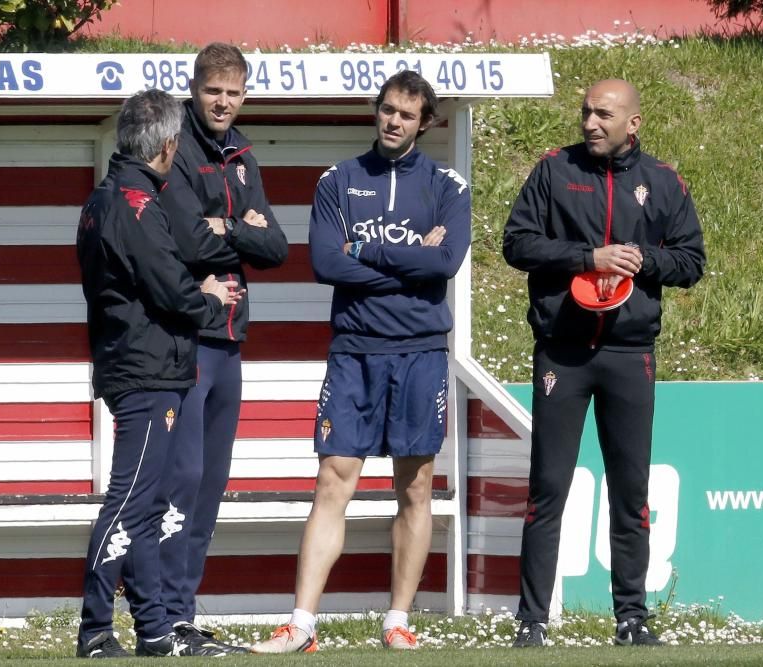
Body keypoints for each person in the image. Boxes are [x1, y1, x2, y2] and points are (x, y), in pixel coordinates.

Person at [250, 70, 471, 653]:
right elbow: (325, 261)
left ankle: (397, 621)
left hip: (420, 353)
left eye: (405, 113)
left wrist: (365, 248)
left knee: (416, 488)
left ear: (426, 122)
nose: (393, 121)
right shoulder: (338, 180)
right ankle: (301, 624)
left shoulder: (449, 186)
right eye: (386, 109)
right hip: (354, 352)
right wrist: (404, 257)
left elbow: (443, 264)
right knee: (331, 482)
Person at [502, 79, 705, 648]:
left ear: (633, 123)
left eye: (604, 114)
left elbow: (691, 261)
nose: (590, 122)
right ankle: (532, 623)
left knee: (630, 490)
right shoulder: (552, 171)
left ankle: (632, 619)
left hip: (629, 353)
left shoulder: (663, 182)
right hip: (561, 353)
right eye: (586, 112)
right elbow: (516, 243)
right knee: (548, 488)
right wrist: (585, 256)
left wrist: (644, 261)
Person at [74, 88, 242, 659]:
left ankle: (153, 632)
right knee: (129, 501)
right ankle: (96, 629)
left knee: (145, 507)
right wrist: (212, 298)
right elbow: (172, 288)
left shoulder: (101, 198)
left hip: (131, 362)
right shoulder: (137, 204)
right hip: (147, 371)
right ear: (169, 144)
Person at [156, 41, 288, 652]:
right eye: (214, 91)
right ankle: (159, 618)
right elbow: (183, 238)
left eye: (234, 93)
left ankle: (182, 612)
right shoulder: (175, 145)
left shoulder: (243, 155)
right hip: (186, 338)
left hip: (231, 341)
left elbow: (279, 248)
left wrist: (225, 228)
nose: (223, 103)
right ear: (195, 88)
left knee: (209, 485)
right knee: (179, 479)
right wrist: (239, 234)